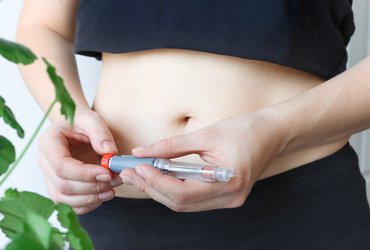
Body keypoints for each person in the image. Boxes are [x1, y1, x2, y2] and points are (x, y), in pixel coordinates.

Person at [17, 0, 370, 249]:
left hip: (300, 209)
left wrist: (273, 132)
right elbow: (41, 26)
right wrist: (71, 118)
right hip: (121, 214)